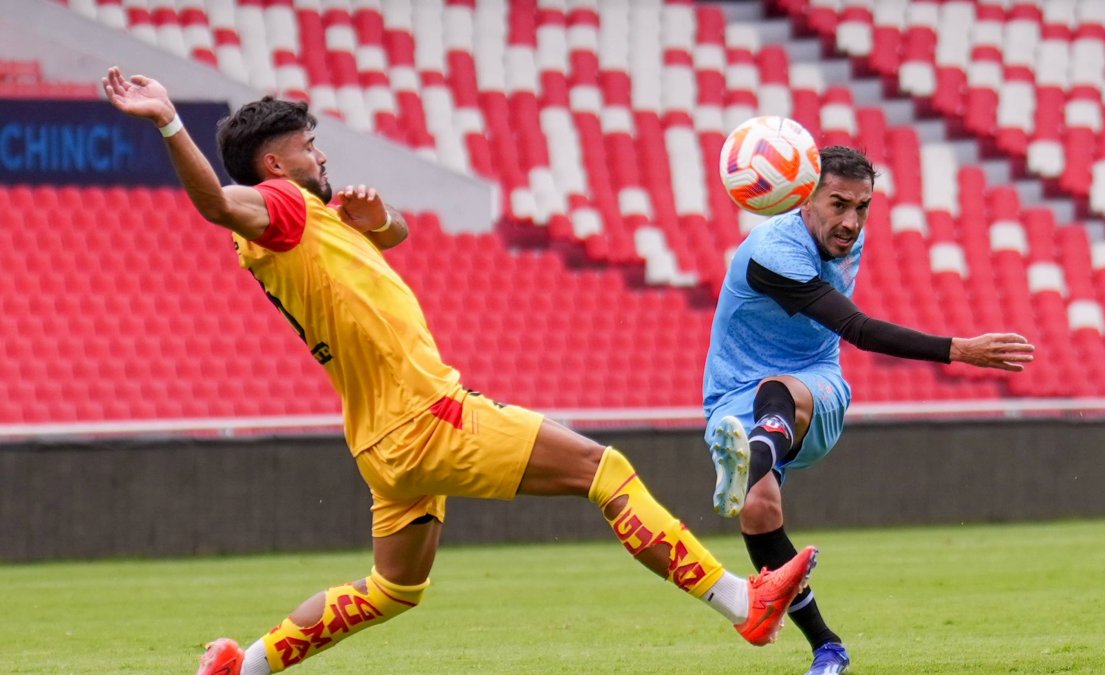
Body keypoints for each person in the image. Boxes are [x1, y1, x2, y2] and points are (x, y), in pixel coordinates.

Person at [101, 66, 822, 674]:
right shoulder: (282, 207)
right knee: (605, 470)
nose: (321, 157)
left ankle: (244, 664)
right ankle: (741, 601)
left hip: (382, 444)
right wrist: (168, 120)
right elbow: (216, 204)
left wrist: (380, 222)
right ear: (276, 164)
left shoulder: (308, 224)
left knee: (393, 588)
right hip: (427, 414)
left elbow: (397, 235)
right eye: (309, 147)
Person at [703, 145, 1036, 675]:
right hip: (731, 398)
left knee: (778, 392)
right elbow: (858, 327)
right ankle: (828, 648)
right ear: (803, 198)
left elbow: (845, 339)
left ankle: (751, 458)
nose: (852, 221)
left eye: (863, 207)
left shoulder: (836, 234)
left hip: (816, 386)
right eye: (839, 205)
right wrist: (959, 349)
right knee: (758, 512)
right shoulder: (773, 253)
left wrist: (957, 351)